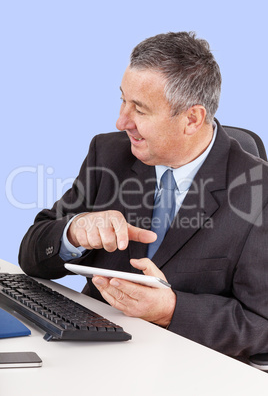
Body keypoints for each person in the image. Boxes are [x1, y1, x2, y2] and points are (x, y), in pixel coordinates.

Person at [19, 31, 268, 359]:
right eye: (122, 99)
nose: (121, 121)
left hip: (186, 368)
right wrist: (74, 232)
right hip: (90, 354)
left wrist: (172, 310)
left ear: (192, 119)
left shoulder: (258, 191)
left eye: (140, 109)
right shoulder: (108, 154)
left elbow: (261, 324)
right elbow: (31, 255)